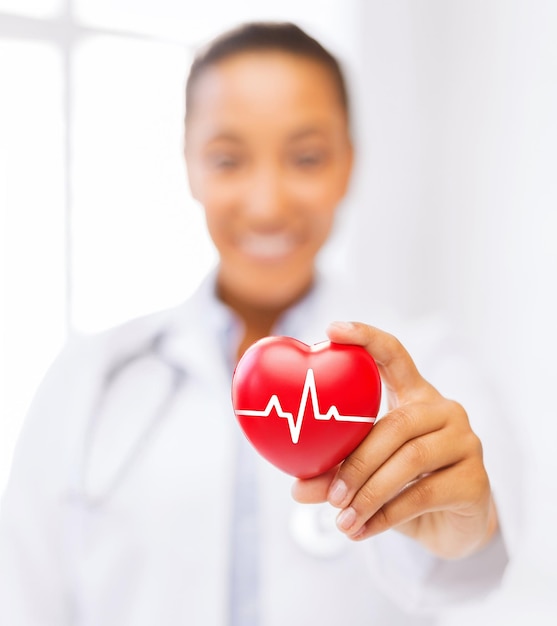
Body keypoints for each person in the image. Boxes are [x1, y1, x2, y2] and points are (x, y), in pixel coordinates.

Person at [0, 21, 517, 625]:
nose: (268, 202)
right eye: (228, 159)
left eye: (305, 157)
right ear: (189, 165)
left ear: (348, 164)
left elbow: (499, 583)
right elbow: (22, 597)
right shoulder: (89, 379)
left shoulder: (435, 371)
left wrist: (469, 535)